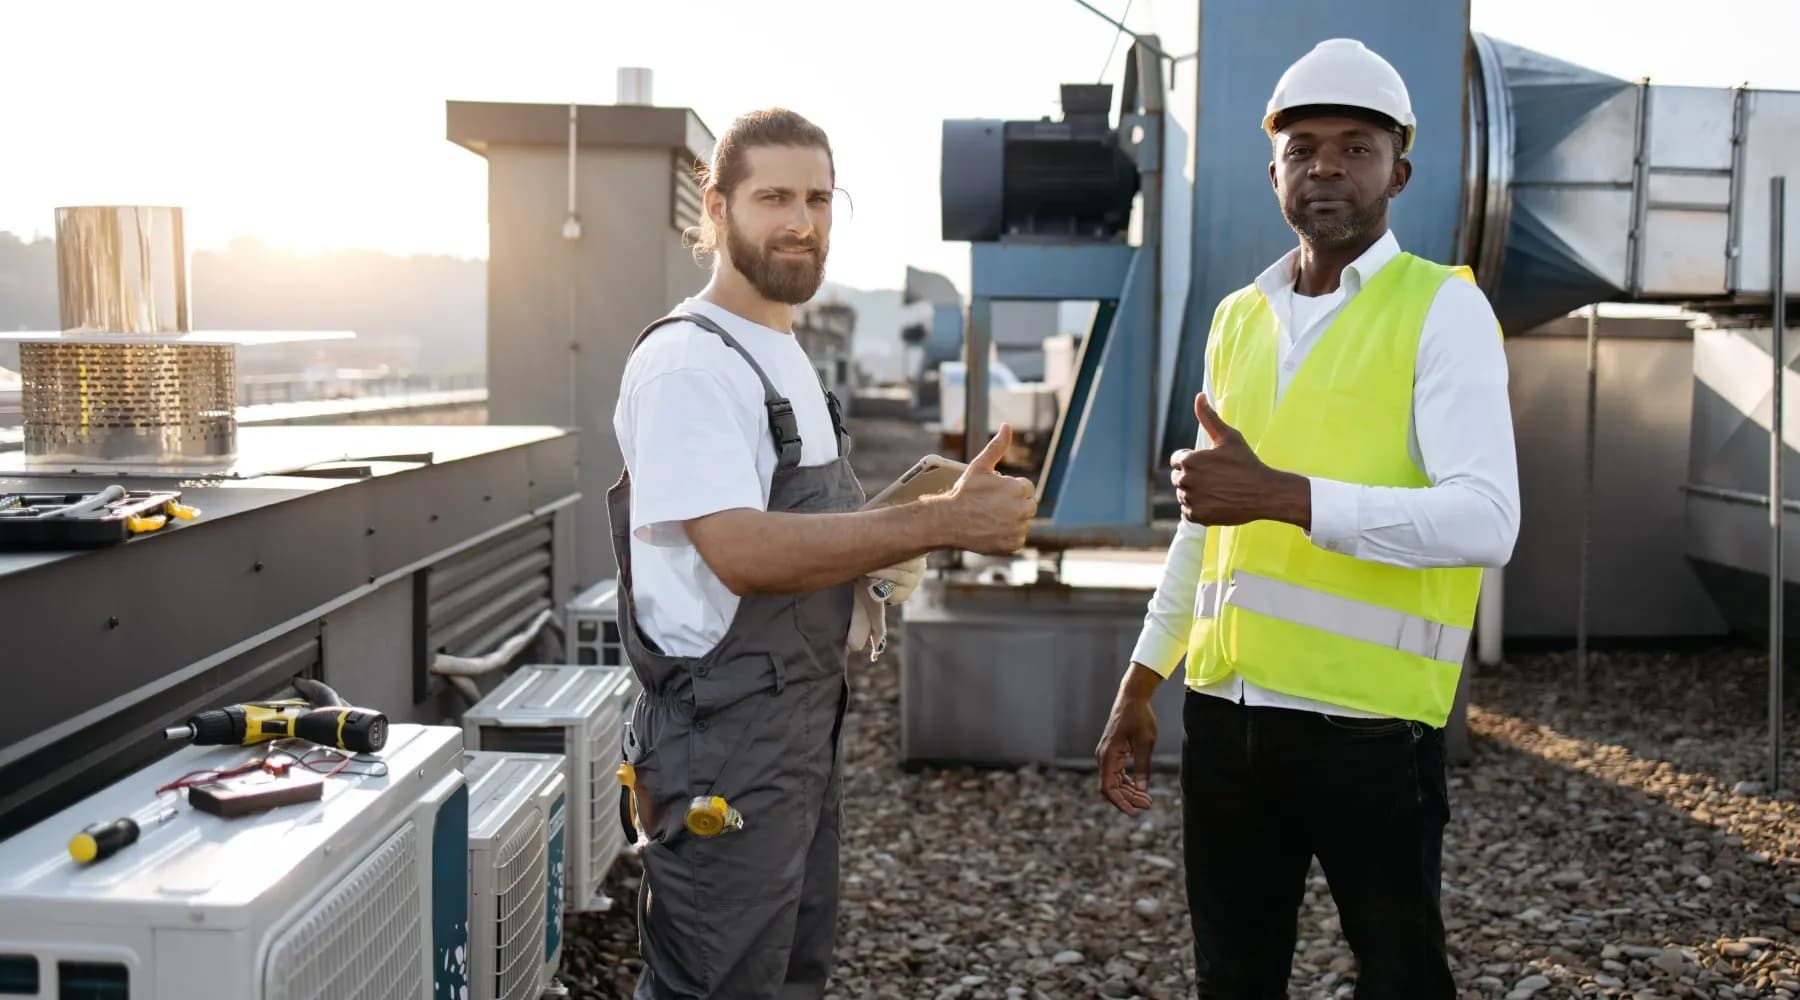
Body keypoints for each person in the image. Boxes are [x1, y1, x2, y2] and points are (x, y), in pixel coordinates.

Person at [1093, 38, 1521, 999]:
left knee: (1403, 978)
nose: (1326, 164)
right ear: (1274, 169)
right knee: (1233, 980)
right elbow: (1206, 524)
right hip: (1228, 723)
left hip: (1371, 733)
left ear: (1399, 172)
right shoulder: (1239, 317)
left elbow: (1489, 521)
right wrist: (1141, 678)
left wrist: (1286, 499)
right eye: (1304, 146)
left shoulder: (1443, 310)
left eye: (1356, 147)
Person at [607, 107, 1038, 1000]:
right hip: (721, 739)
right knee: (716, 982)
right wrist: (936, 526)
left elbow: (798, 531)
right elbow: (740, 551)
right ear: (716, 212)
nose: (800, 220)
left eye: (817, 197)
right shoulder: (693, 364)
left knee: (788, 971)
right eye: (772, 197)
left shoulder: (785, 354)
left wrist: (877, 559)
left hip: (799, 722)